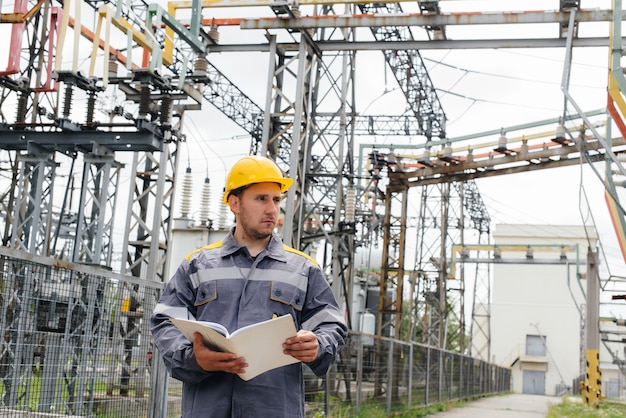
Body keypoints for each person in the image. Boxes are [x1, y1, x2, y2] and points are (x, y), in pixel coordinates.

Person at [150, 155, 347, 417]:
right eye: (261, 199)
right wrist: (192, 358)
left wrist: (318, 344)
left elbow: (331, 324)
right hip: (208, 408)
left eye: (276, 200)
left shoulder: (304, 268)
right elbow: (166, 321)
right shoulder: (197, 265)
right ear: (234, 203)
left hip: (274, 408)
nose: (272, 209)